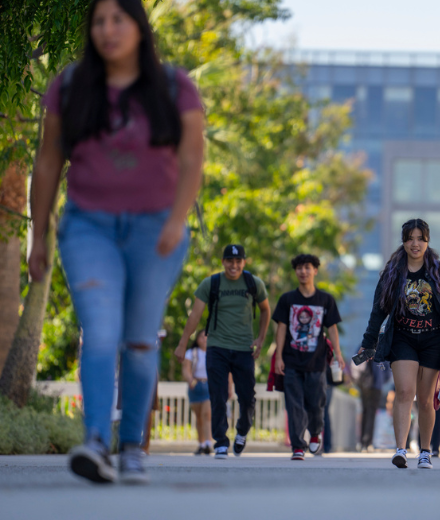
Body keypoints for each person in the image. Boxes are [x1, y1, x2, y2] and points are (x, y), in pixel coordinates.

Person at [29, 0, 204, 484]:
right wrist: (38, 234)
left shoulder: (173, 87)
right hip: (89, 226)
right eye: (99, 21)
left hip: (156, 229)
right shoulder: (69, 86)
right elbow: (47, 164)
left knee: (140, 340)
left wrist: (176, 219)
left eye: (118, 19)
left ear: (138, 28)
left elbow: (192, 159)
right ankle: (96, 443)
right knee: (100, 331)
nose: (107, 29)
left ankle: (132, 448)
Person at [358, 219, 440, 469]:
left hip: (434, 340)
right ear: (403, 241)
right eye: (410, 238)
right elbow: (378, 310)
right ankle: (401, 450)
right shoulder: (393, 272)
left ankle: (425, 451)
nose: (415, 244)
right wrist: (368, 342)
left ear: (427, 241)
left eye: (420, 238)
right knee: (405, 391)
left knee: (426, 399)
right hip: (403, 337)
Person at [176, 245, 271, 460]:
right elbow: (195, 316)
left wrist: (261, 339)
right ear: (223, 262)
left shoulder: (253, 283)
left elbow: (265, 310)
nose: (234, 265)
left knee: (247, 396)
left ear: (244, 262)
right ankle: (220, 442)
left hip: (243, 348)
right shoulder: (211, 283)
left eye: (238, 261)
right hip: (216, 347)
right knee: (217, 395)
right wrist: (183, 344)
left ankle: (243, 430)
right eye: (230, 261)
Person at [272, 254, 344, 461]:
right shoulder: (287, 299)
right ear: (295, 272)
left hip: (317, 362)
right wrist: (278, 357)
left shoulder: (325, 300)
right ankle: (297, 446)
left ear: (315, 271)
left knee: (316, 403)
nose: (303, 272)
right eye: (299, 268)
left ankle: (314, 432)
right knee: (294, 404)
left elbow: (332, 329)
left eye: (307, 268)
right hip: (292, 360)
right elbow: (282, 328)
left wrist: (337, 354)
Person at [351, 347, 387, 452]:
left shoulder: (363, 345)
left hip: (366, 384)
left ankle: (363, 442)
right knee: (370, 412)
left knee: (366, 412)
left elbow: (355, 364)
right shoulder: (382, 348)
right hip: (373, 385)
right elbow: (386, 369)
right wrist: (382, 378)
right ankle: (367, 442)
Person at [183, 331, 212, 456]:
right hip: (195, 385)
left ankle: (209, 443)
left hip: (210, 385)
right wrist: (190, 380)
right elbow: (186, 369)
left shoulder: (214, 353)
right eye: (202, 336)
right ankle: (201, 444)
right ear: (198, 339)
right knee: (199, 417)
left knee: (207, 414)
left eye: (207, 336)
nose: (204, 339)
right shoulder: (191, 353)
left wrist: (229, 388)